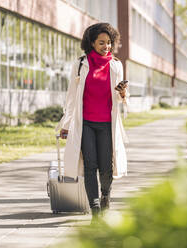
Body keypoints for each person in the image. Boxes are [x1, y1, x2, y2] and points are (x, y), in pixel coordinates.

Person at [57, 23, 129, 220]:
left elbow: (121, 98)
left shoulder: (115, 65)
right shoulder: (80, 64)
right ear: (91, 43)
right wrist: (66, 124)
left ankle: (106, 195)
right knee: (90, 165)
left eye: (109, 42)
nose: (106, 46)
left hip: (107, 124)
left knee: (106, 167)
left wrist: (123, 93)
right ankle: (95, 210)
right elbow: (72, 96)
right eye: (101, 43)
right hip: (86, 123)